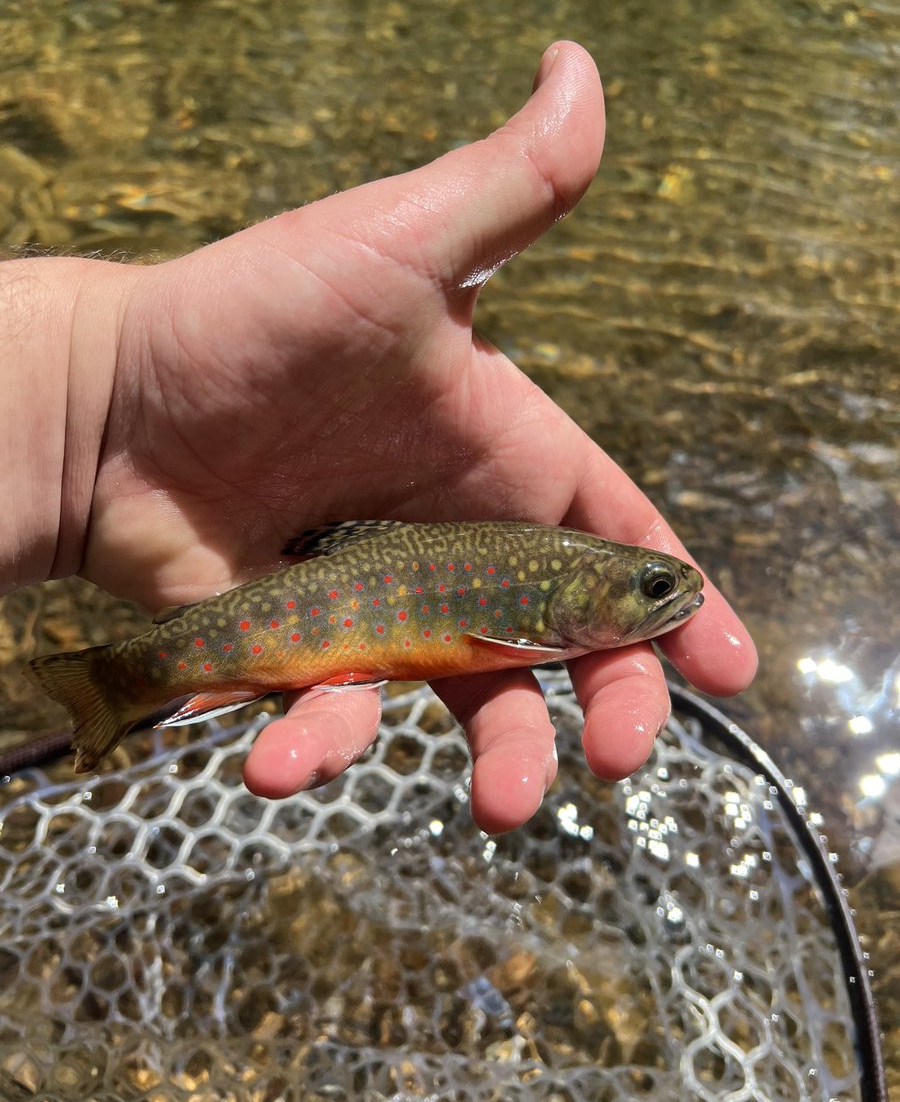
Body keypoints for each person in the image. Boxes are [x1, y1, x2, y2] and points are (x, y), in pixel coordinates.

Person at [0, 42, 756, 833]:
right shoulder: (534, 616)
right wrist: (103, 392)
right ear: (572, 598)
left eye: (655, 587)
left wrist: (94, 397)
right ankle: (113, 681)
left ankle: (120, 680)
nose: (671, 594)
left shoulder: (542, 598)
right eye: (652, 588)